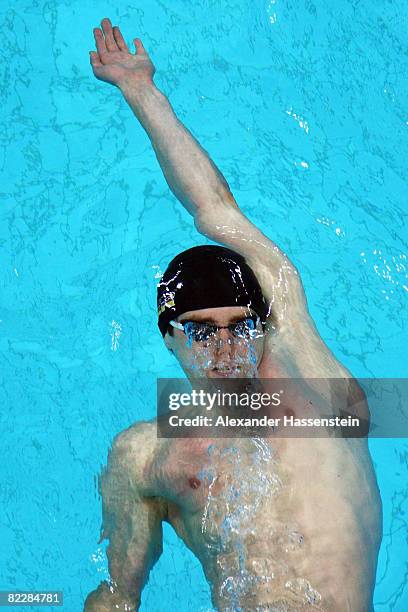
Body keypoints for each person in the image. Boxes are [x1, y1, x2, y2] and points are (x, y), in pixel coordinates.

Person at [84, 18, 382, 612]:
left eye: (239, 325)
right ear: (170, 337)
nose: (227, 347)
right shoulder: (147, 459)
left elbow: (214, 210)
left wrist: (143, 92)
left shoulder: (300, 363)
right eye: (202, 330)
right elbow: (119, 597)